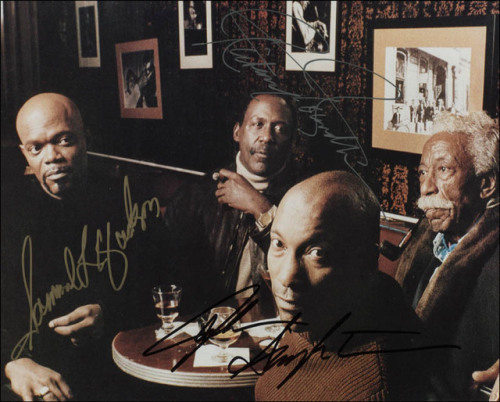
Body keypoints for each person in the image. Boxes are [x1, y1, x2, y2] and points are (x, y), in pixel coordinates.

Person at [1, 93, 162, 401]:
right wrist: (12, 364)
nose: (51, 157)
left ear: (86, 139)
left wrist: (109, 314)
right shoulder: (7, 212)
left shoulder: (130, 204)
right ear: (25, 154)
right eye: (36, 147)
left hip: (116, 375)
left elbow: (168, 293)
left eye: (63, 140)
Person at [254, 171, 427, 400]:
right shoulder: (320, 315)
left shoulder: (373, 391)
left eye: (317, 253)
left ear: (364, 260)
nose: (286, 276)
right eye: (279, 244)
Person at [162, 94, 299, 317]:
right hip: (209, 328)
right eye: (258, 124)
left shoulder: (305, 198)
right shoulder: (195, 195)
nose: (266, 137)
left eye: (280, 129)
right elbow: (169, 277)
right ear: (237, 132)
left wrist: (261, 207)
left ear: (292, 142)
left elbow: (302, 270)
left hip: (279, 327)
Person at [396, 111, 499, 400]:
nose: (427, 186)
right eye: (422, 171)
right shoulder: (422, 241)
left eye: (443, 170)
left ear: (485, 185)